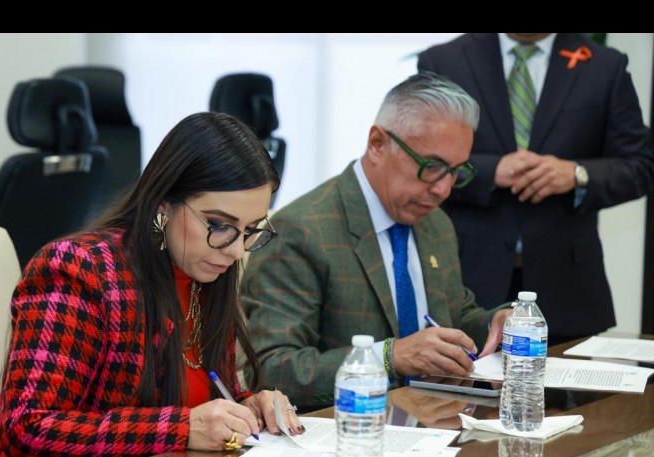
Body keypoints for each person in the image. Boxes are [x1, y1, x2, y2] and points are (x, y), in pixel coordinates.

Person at [0, 112, 303, 457]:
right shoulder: (79, 268)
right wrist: (182, 429)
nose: (237, 251)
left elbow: (206, 394)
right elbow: (29, 428)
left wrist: (248, 408)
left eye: (250, 230)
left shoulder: (205, 273)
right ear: (164, 202)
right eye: (219, 225)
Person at [241, 72, 510, 411]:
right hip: (348, 429)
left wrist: (496, 324)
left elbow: (452, 315)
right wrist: (387, 357)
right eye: (431, 166)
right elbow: (272, 372)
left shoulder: (436, 224)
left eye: (456, 172)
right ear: (378, 143)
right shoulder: (302, 229)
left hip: (438, 421)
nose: (443, 189)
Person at [417, 33, 654, 344]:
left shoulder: (604, 65)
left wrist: (576, 174)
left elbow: (640, 166)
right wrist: (491, 171)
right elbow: (419, 156)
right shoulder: (444, 61)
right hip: (469, 282)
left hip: (567, 287)